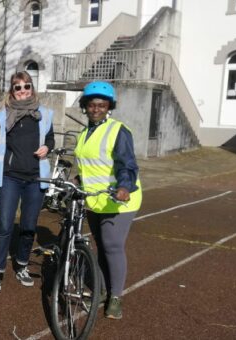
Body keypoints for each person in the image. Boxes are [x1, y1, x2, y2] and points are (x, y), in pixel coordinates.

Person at [75, 81, 142, 319]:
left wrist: (124, 187)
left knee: (112, 245)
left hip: (120, 199)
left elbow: (127, 164)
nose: (96, 109)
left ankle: (115, 297)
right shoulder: (84, 133)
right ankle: (101, 290)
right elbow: (88, 167)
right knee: (100, 246)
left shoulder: (118, 130)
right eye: (91, 105)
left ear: (109, 106)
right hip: (95, 200)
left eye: (101, 105)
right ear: (85, 106)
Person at [0, 71, 55, 291]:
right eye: (18, 87)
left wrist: (48, 148)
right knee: (4, 225)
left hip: (36, 178)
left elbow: (51, 139)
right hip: (10, 177)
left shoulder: (44, 114)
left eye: (27, 86)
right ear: (12, 91)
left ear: (32, 89)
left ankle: (22, 265)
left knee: (27, 226)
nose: (23, 90)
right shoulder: (3, 116)